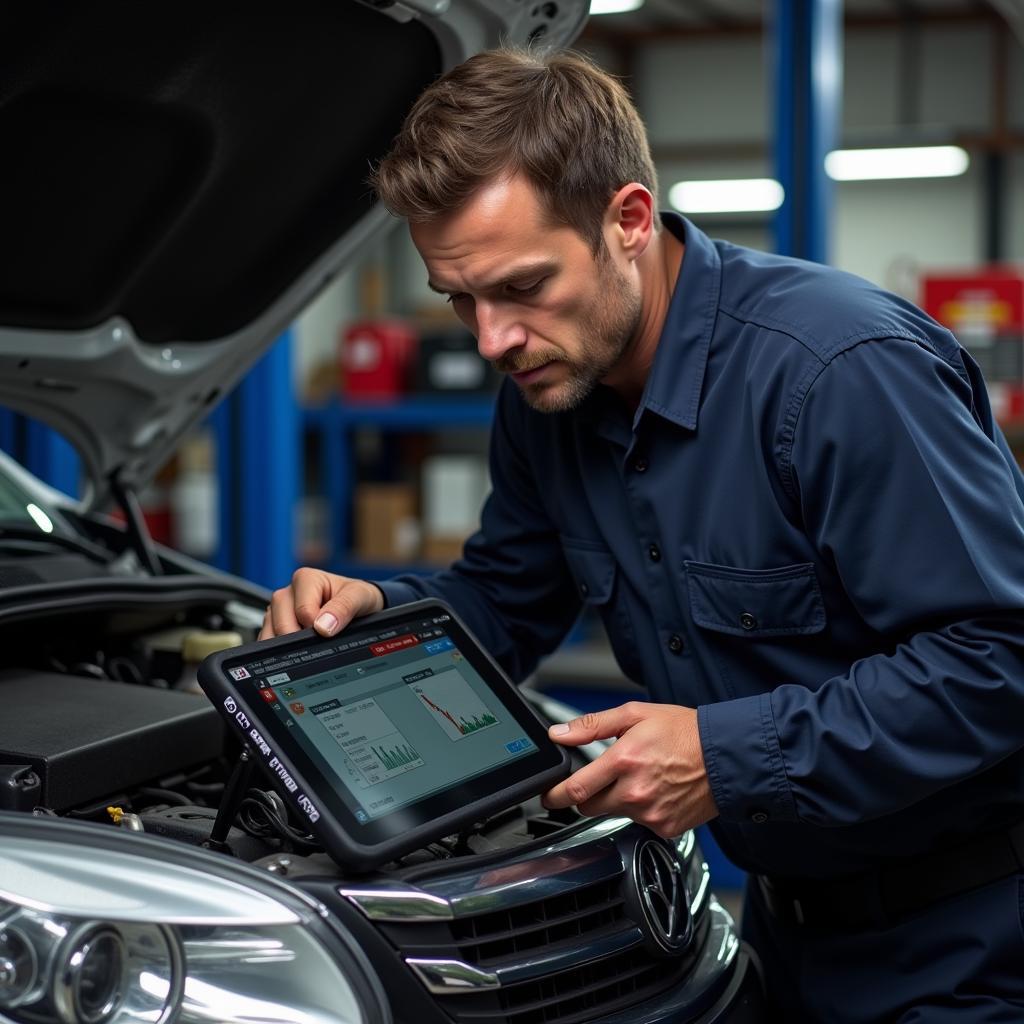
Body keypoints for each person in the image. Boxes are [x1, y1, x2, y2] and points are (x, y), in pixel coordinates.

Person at [261, 47, 1024, 1021]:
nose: (491, 338)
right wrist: (382, 610)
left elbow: (997, 656)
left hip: (971, 944)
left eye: (521, 285)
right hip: (780, 934)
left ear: (626, 221)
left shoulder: (837, 372)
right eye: (461, 299)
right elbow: (503, 599)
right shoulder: (545, 394)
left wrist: (726, 755)